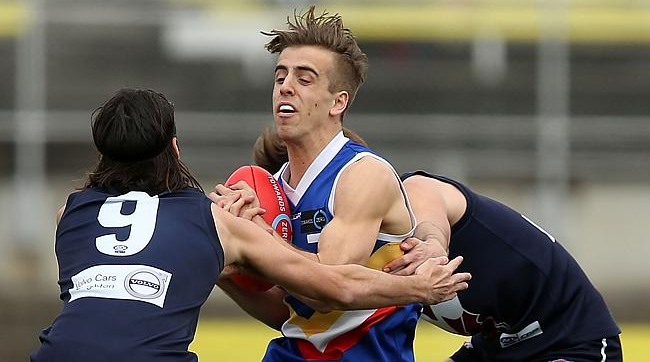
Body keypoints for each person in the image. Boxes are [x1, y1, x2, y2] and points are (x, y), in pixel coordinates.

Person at [30, 88, 471, 362]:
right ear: (176, 151)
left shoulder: (68, 216)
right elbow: (334, 287)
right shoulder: (214, 222)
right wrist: (420, 289)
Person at [212, 5, 466, 362]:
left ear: (338, 102)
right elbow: (294, 313)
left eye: (304, 78)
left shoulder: (363, 175)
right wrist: (222, 264)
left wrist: (252, 239)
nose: (285, 87)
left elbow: (326, 289)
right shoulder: (273, 186)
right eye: (280, 76)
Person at [252, 127, 623, 361]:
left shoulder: (408, 192)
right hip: (496, 346)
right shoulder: (349, 259)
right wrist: (229, 262)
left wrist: (433, 243)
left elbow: (430, 217)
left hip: (573, 337)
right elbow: (303, 306)